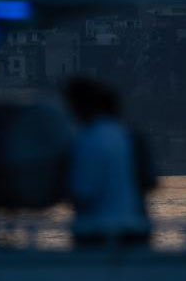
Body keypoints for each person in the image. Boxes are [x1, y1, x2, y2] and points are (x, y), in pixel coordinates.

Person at [62, 76, 148, 246]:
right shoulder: (125, 135)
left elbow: (81, 191)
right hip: (132, 228)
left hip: (97, 233)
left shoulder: (88, 139)